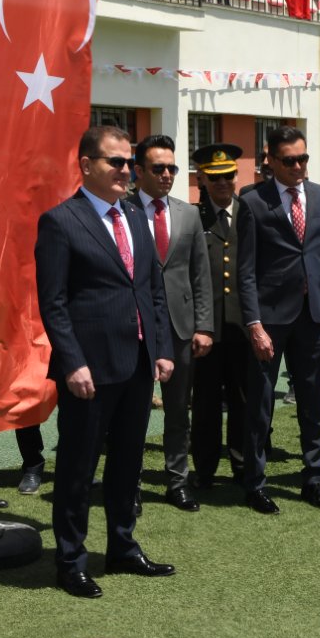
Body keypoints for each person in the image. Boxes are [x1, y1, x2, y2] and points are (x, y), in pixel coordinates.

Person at [34, 126, 176, 598]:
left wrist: (160, 351)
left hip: (136, 362)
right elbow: (52, 302)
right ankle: (70, 560)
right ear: (87, 165)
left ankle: (122, 545)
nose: (125, 170)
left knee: (127, 463)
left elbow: (151, 290)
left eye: (129, 162)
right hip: (88, 370)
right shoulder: (60, 221)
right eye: (115, 162)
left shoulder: (135, 215)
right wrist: (72, 362)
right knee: (77, 468)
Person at [237, 125, 320, 513]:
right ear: (270, 160)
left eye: (303, 159)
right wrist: (253, 325)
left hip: (314, 316)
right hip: (270, 320)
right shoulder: (252, 202)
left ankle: (313, 479)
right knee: (262, 405)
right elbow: (245, 270)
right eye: (290, 160)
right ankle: (255, 484)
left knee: (313, 400)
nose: (299, 166)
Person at [135, 135, 214, 511]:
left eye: (172, 168)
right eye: (158, 168)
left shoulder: (189, 214)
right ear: (139, 171)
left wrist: (204, 326)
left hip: (182, 328)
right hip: (135, 327)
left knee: (179, 410)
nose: (167, 175)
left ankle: (176, 480)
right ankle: (128, 482)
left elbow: (201, 275)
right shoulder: (121, 211)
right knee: (131, 411)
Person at [189, 144, 250, 491]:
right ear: (203, 179)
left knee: (243, 400)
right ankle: (206, 468)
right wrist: (200, 325)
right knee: (206, 403)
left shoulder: (249, 213)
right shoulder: (192, 217)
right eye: (215, 178)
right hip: (206, 328)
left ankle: (241, 465)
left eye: (228, 176)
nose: (223, 183)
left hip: (242, 326)